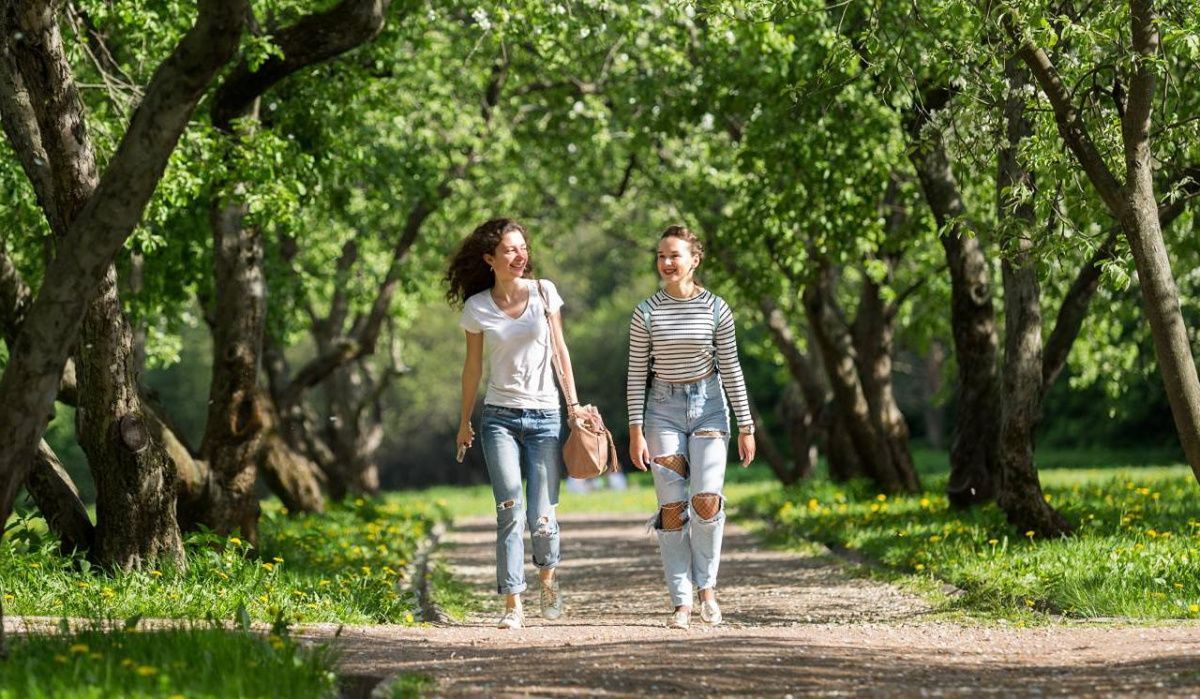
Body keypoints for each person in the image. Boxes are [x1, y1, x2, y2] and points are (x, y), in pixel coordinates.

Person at [447, 218, 582, 629]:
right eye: (510, 249)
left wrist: (574, 406)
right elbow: (472, 369)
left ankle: (548, 581)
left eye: (523, 248)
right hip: (499, 419)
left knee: (542, 514)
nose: (520, 255)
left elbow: (560, 349)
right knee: (509, 507)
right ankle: (513, 605)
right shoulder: (477, 308)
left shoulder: (544, 292)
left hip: (545, 415)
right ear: (490, 258)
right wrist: (464, 420)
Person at [626, 225, 756, 629]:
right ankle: (681, 602)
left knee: (706, 499)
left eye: (674, 255)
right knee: (670, 507)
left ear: (694, 259)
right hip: (662, 410)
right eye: (661, 256)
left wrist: (747, 423)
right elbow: (635, 374)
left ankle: (708, 591)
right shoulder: (646, 312)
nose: (666, 263)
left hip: (709, 408)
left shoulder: (717, 308)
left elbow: (731, 366)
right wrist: (634, 429)